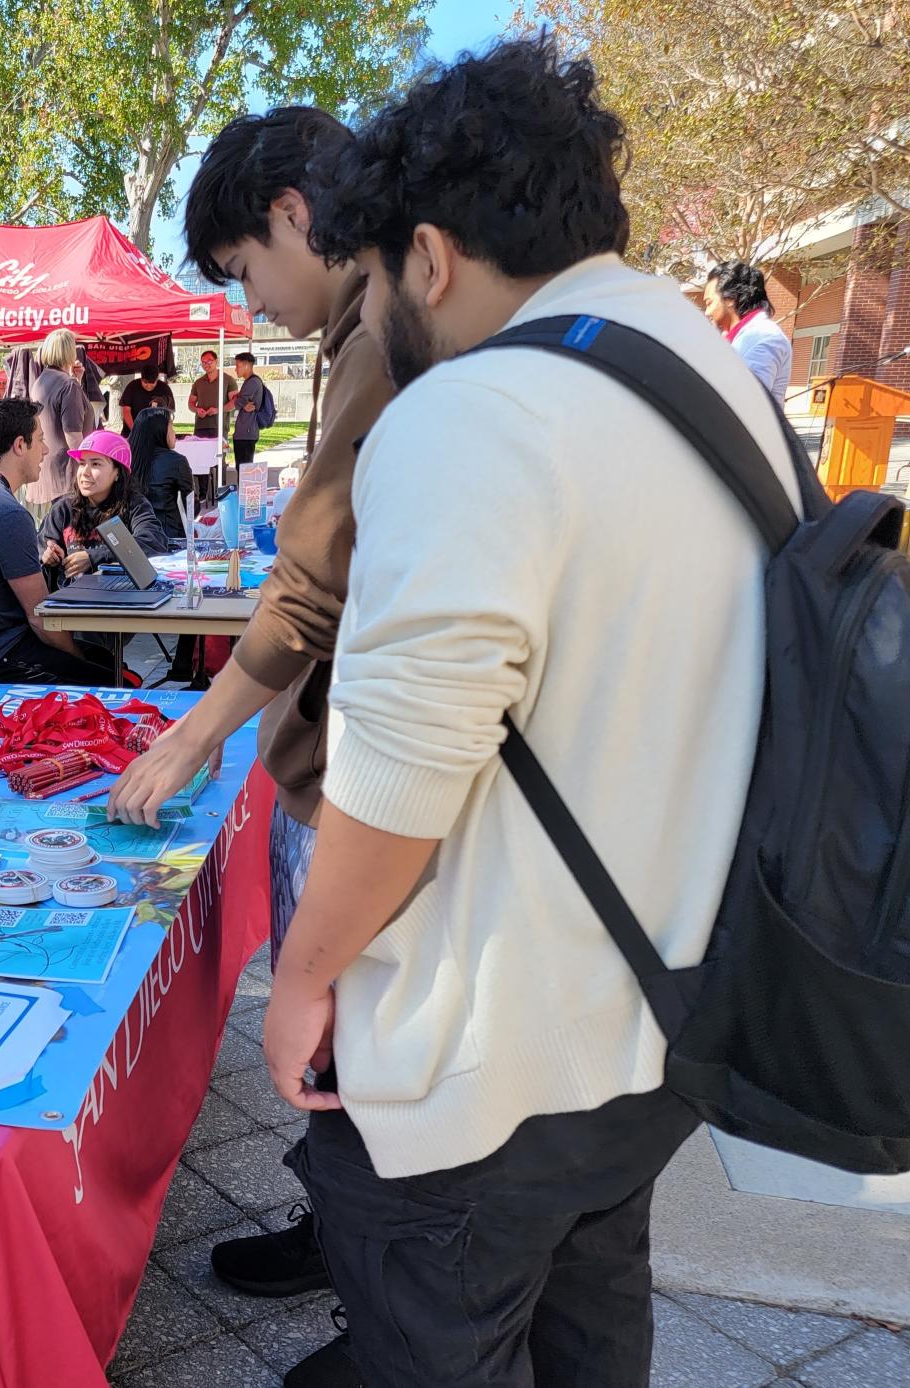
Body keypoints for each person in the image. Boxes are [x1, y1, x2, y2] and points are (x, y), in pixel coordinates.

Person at [265, 38, 797, 1388]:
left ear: (428, 258)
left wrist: (306, 973)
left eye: (375, 281)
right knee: (592, 1329)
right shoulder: (720, 381)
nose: (378, 312)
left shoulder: (476, 411)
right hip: (663, 1025)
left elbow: (398, 777)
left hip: (480, 1068)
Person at [113, 103, 399, 1386]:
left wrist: (197, 733)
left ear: (293, 211)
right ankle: (343, 1237)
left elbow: (313, 585)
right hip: (338, 758)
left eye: (242, 270)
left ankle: (385, 1311)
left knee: (343, 1040)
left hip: (361, 774)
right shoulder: (367, 325)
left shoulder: (390, 322)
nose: (249, 302)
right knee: (348, 1069)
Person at [0, 397, 115, 685]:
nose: (46, 450)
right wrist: (76, 654)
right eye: (39, 440)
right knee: (114, 677)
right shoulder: (5, 512)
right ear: (19, 445)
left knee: (105, 659)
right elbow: (40, 619)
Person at [38, 429, 170, 586]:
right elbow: (39, 550)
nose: (85, 472)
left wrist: (93, 557)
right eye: (82, 464)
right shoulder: (63, 509)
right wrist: (49, 557)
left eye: (95, 464)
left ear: (117, 473)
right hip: (73, 602)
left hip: (122, 599)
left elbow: (153, 542)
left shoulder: (135, 505)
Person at [704, 260, 793, 402]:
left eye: (709, 303)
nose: (707, 312)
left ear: (730, 299)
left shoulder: (765, 337)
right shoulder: (739, 337)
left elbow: (746, 401)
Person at [29, 327, 88, 506]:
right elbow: (73, 436)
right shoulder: (68, 385)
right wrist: (89, 465)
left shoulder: (40, 382)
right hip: (66, 473)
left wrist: (76, 380)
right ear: (69, 350)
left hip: (46, 468)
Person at [128, 406, 195, 542]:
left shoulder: (126, 459)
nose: (174, 432)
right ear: (160, 429)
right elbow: (190, 505)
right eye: (171, 426)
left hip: (133, 537)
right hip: (169, 538)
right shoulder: (176, 461)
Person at [228, 351, 278, 469]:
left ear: (247, 366)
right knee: (242, 467)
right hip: (244, 432)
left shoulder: (252, 382)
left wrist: (218, 409)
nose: (236, 369)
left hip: (247, 433)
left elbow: (237, 402)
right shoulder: (250, 382)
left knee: (244, 469)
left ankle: (244, 488)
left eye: (238, 366)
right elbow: (239, 401)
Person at [117, 360, 175, 433]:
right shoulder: (132, 386)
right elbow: (126, 410)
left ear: (157, 379)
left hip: (156, 433)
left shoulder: (164, 389)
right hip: (131, 431)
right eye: (145, 382)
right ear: (141, 378)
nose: (148, 386)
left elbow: (170, 412)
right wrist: (135, 431)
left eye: (152, 383)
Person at [187, 349, 229, 438]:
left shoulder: (228, 380)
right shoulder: (198, 382)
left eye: (209, 361)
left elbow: (234, 402)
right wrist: (197, 410)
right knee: (199, 452)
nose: (206, 364)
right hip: (200, 427)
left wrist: (218, 410)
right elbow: (191, 403)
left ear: (216, 361)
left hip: (220, 427)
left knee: (219, 452)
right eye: (203, 362)